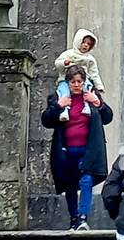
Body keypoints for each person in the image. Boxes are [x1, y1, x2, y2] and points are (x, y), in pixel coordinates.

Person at [42, 68, 113, 231]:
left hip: (87, 150)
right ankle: (74, 218)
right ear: (67, 83)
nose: (76, 85)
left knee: (86, 181)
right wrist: (58, 106)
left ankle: (83, 217)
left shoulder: (90, 96)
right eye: (73, 82)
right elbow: (46, 120)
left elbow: (108, 117)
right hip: (66, 150)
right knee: (70, 185)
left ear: (84, 82)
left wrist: (98, 103)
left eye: (79, 82)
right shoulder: (59, 97)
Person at [54, 29, 106, 122]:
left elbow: (94, 74)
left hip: (85, 79)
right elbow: (57, 64)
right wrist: (64, 63)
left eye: (88, 44)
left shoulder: (89, 59)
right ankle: (64, 111)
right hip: (65, 79)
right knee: (64, 92)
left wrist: (99, 87)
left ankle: (87, 107)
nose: (85, 45)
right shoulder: (69, 54)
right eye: (83, 42)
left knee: (88, 90)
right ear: (78, 42)